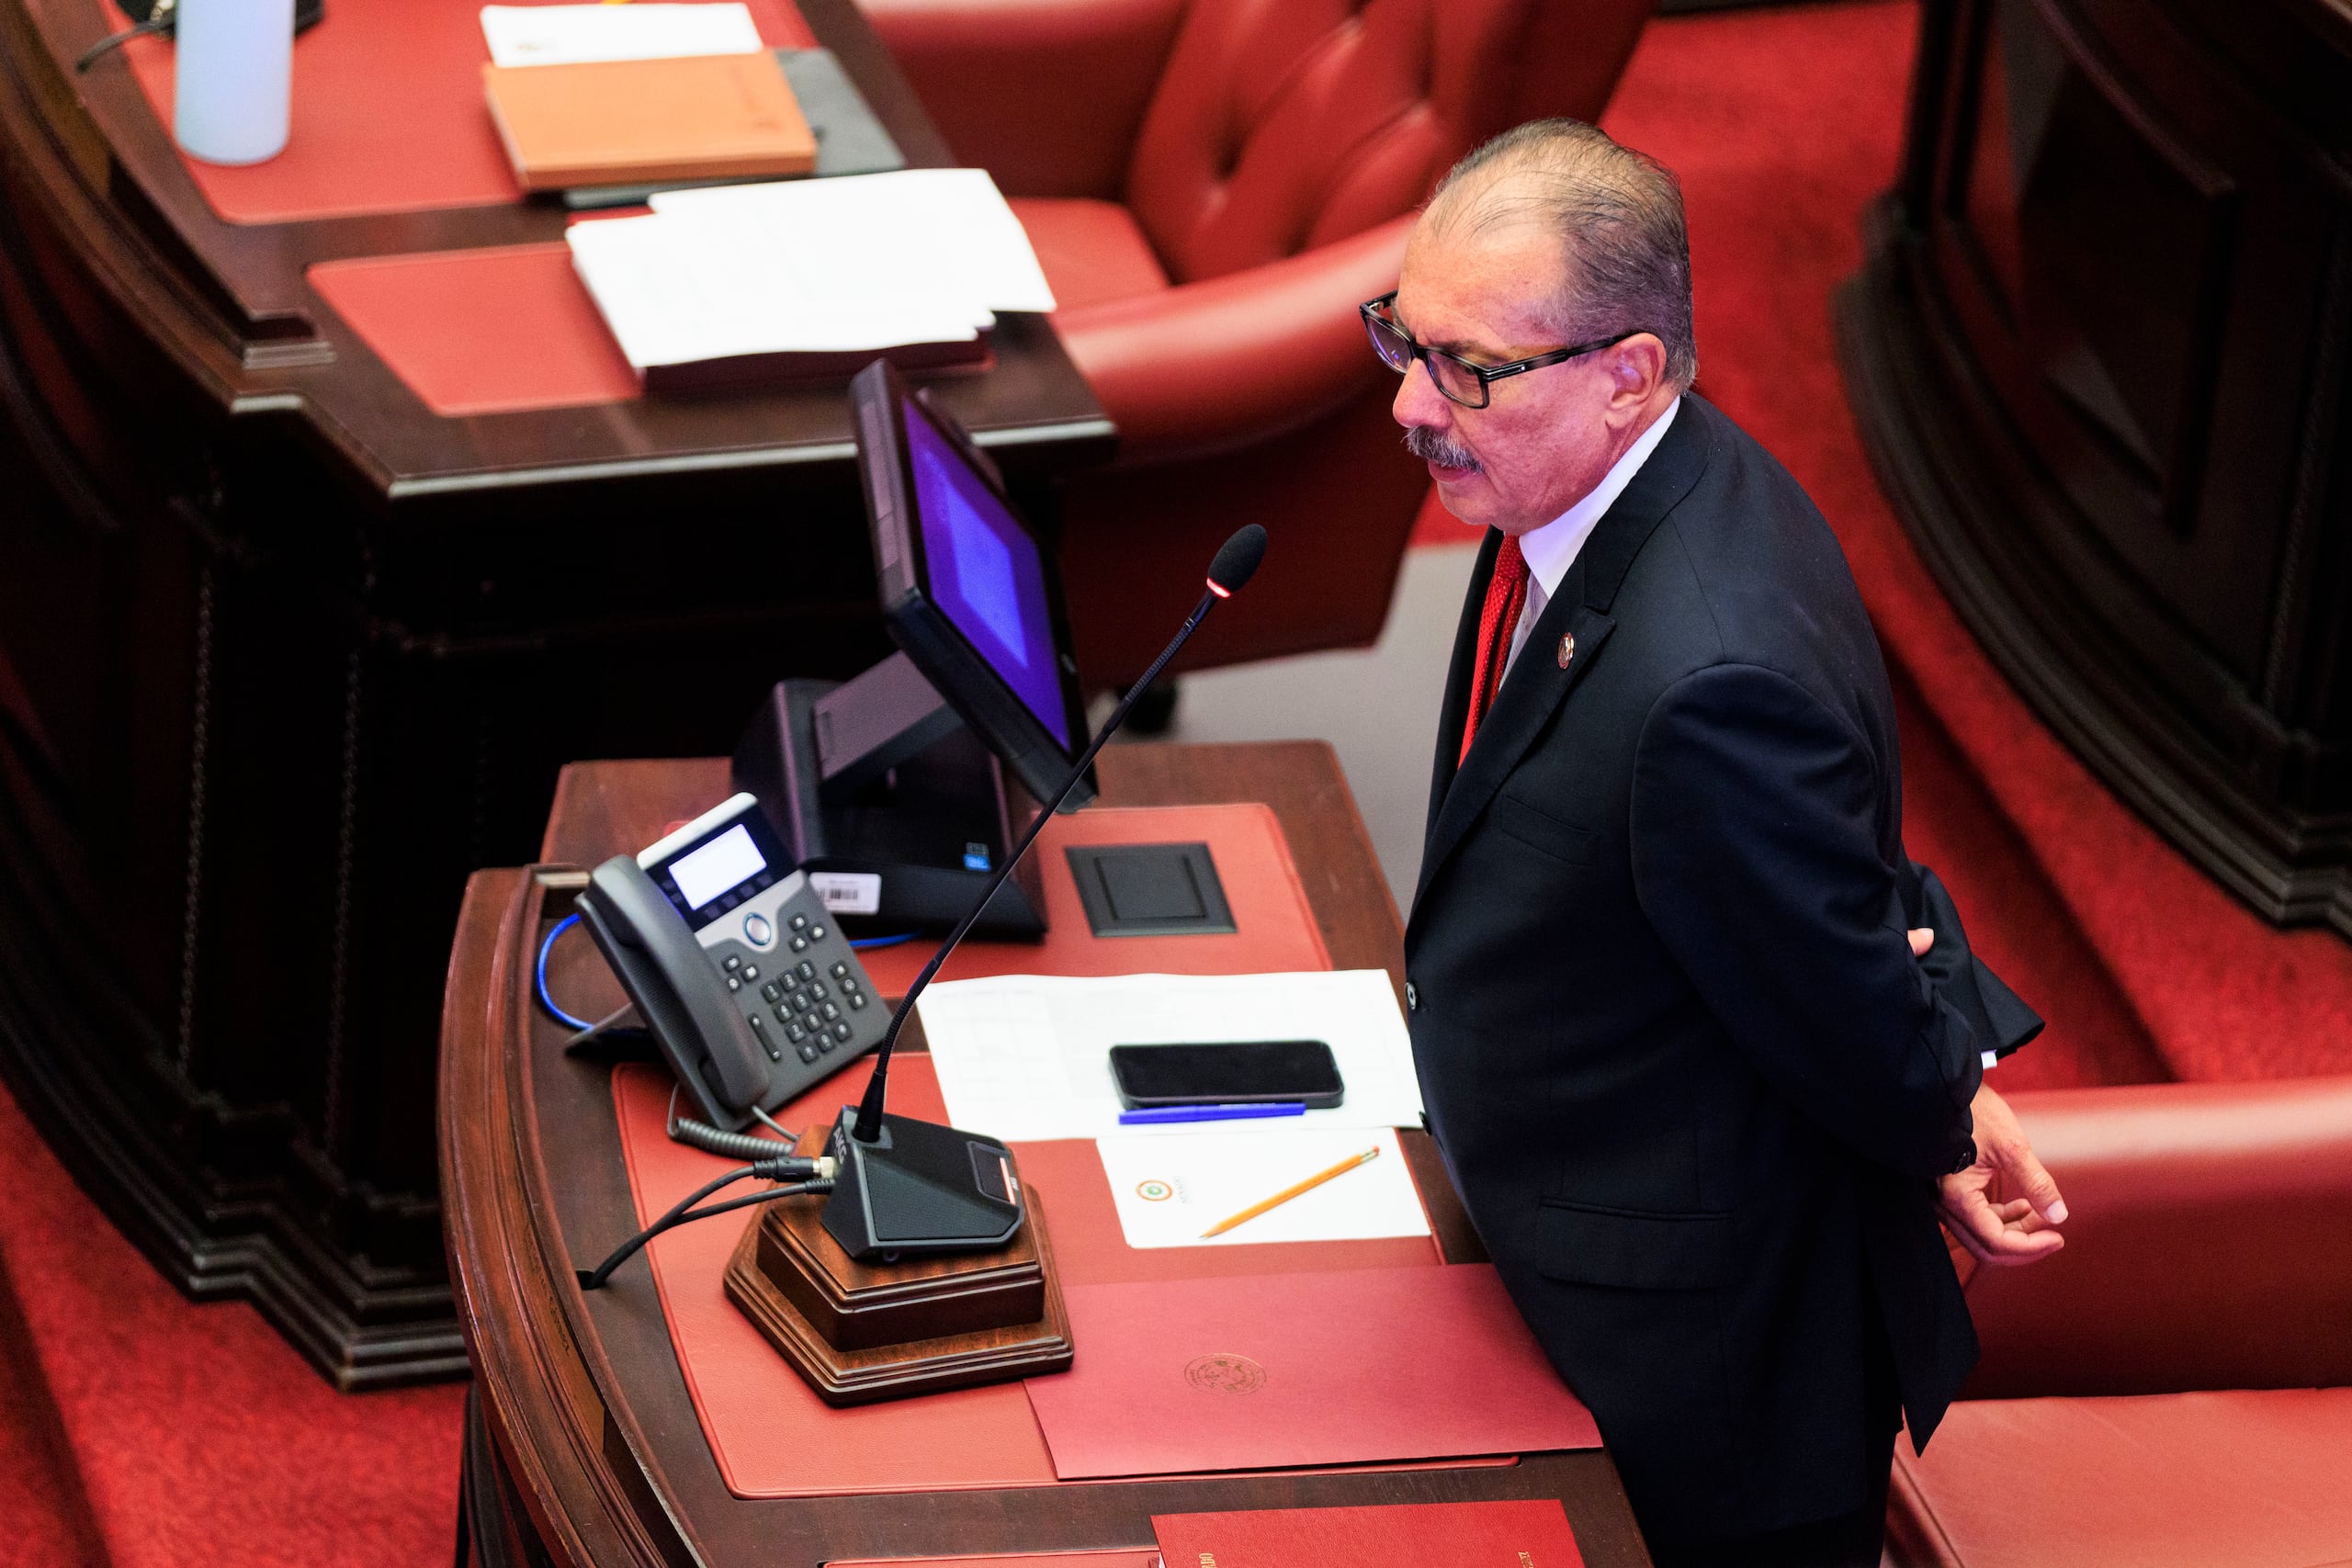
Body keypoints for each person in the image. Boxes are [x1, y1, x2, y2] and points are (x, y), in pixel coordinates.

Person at [1382, 120, 2070, 1568]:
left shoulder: (1710, 673)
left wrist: (1942, 1081)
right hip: (1552, 1227)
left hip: (1686, 1380)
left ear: (1628, 375)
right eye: (1402, 336)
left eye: (1464, 368)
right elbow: (1805, 880)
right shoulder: (1608, 480)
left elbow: (1845, 1010)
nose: (1412, 405)